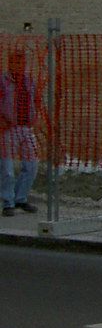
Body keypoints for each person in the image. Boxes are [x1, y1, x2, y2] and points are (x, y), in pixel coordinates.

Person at [0, 50, 39, 218]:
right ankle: (8, 202)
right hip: (7, 127)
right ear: (10, 64)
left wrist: (34, 117)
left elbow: (34, 100)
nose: (20, 66)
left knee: (31, 165)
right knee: (7, 169)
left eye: (22, 63)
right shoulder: (3, 81)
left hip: (26, 127)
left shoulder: (28, 81)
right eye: (16, 63)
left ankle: (20, 198)